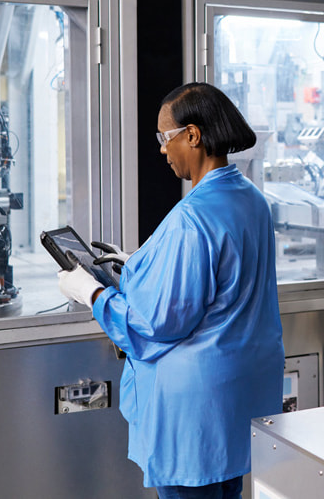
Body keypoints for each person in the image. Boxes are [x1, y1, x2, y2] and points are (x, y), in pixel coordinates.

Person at [58, 82, 285, 499]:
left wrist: (90, 292)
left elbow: (155, 325)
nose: (163, 150)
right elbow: (223, 279)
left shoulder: (192, 217)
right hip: (239, 396)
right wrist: (141, 264)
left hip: (195, 412)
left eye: (166, 137)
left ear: (192, 135)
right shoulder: (251, 199)